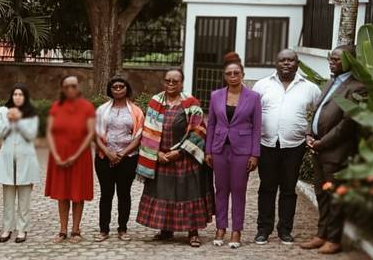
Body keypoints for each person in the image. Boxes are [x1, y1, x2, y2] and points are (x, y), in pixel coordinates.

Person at [252, 49, 321, 245]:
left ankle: (285, 230)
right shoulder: (262, 85)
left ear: (297, 64)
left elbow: (319, 114)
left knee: (289, 189)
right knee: (266, 188)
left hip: (294, 146)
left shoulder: (310, 88)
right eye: (283, 60)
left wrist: (310, 133)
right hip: (267, 144)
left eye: (291, 60)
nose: (286, 63)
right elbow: (251, 114)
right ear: (276, 63)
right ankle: (263, 230)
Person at [302, 46, 367, 255]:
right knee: (321, 194)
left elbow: (347, 125)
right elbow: (317, 111)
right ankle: (321, 234)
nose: (332, 62)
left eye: (337, 59)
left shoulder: (357, 87)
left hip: (335, 151)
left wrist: (323, 143)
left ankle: (334, 239)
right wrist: (309, 135)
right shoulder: (332, 81)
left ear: (349, 61)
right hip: (318, 148)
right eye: (331, 58)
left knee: (335, 196)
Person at [136, 69, 211, 247]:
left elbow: (199, 131)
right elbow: (147, 131)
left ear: (182, 83)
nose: (171, 84)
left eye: (175, 81)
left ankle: (193, 232)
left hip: (184, 158)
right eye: (168, 80)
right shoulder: (155, 102)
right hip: (161, 158)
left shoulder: (191, 104)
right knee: (164, 193)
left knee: (188, 194)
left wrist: (180, 152)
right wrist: (157, 154)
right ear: (163, 82)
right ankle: (166, 229)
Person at [204, 54, 261, 249]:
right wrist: (208, 150)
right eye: (229, 73)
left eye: (236, 73)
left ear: (242, 75)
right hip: (219, 148)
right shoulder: (216, 95)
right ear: (224, 76)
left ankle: (236, 230)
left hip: (242, 150)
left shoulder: (253, 97)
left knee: (238, 190)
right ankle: (220, 228)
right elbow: (211, 124)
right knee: (221, 189)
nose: (233, 76)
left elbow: (257, 127)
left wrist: (255, 154)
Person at [45, 76, 95, 243]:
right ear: (62, 89)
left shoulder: (87, 107)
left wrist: (76, 155)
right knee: (62, 193)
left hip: (80, 157)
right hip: (58, 156)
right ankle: (62, 230)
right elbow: (49, 132)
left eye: (73, 86)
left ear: (78, 87)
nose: (70, 89)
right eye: (67, 87)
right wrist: (56, 155)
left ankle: (76, 230)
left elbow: (90, 133)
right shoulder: (56, 106)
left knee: (78, 193)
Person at [93, 76, 144, 242]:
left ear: (127, 89)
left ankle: (123, 229)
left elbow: (138, 136)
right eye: (114, 87)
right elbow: (95, 134)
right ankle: (104, 230)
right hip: (104, 157)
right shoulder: (101, 110)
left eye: (121, 86)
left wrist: (122, 154)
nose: (118, 89)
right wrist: (108, 153)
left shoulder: (136, 111)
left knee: (124, 194)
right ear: (110, 90)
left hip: (128, 158)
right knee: (106, 194)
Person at [0, 84, 40, 243]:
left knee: (24, 198)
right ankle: (7, 228)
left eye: (21, 94)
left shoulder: (31, 114)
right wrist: (9, 120)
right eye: (15, 94)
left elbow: (31, 135)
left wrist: (19, 120)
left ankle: (22, 229)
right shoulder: (3, 111)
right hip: (7, 158)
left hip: (26, 158)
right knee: (8, 198)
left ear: (25, 96)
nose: (18, 97)